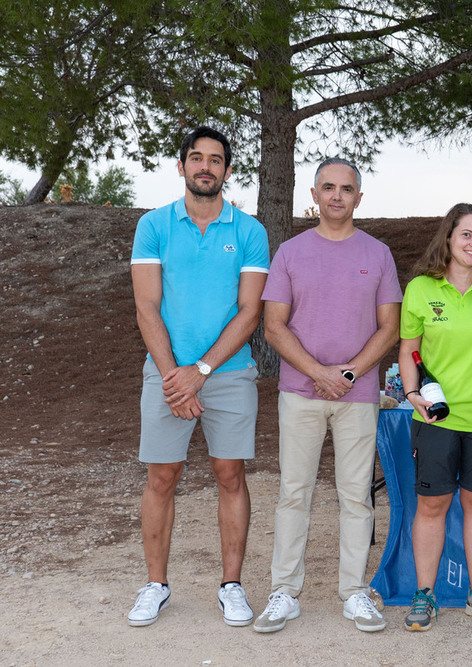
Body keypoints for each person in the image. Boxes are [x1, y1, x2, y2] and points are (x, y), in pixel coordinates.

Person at [252, 158, 402, 634]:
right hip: (300, 392)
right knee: (294, 493)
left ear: (359, 197)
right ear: (313, 195)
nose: (337, 196)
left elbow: (390, 327)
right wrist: (319, 372)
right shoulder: (291, 253)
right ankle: (283, 592)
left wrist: (349, 373)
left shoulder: (378, 254)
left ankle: (354, 593)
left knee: (356, 496)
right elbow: (273, 325)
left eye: (347, 188)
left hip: (357, 397)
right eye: (328, 188)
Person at [128, 126, 270, 627]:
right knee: (161, 475)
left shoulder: (250, 231)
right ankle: (155, 585)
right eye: (196, 158)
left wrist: (201, 372)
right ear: (183, 166)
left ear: (228, 170)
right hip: (165, 373)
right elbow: (146, 307)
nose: (205, 167)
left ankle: (231, 585)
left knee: (230, 474)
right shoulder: (153, 225)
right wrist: (174, 377)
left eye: (215, 160)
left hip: (229, 374)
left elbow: (250, 312)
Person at [398, 203, 472, 631]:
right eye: (467, 234)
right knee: (432, 505)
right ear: (449, 237)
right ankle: (425, 594)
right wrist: (412, 393)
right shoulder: (420, 289)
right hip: (437, 418)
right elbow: (408, 350)